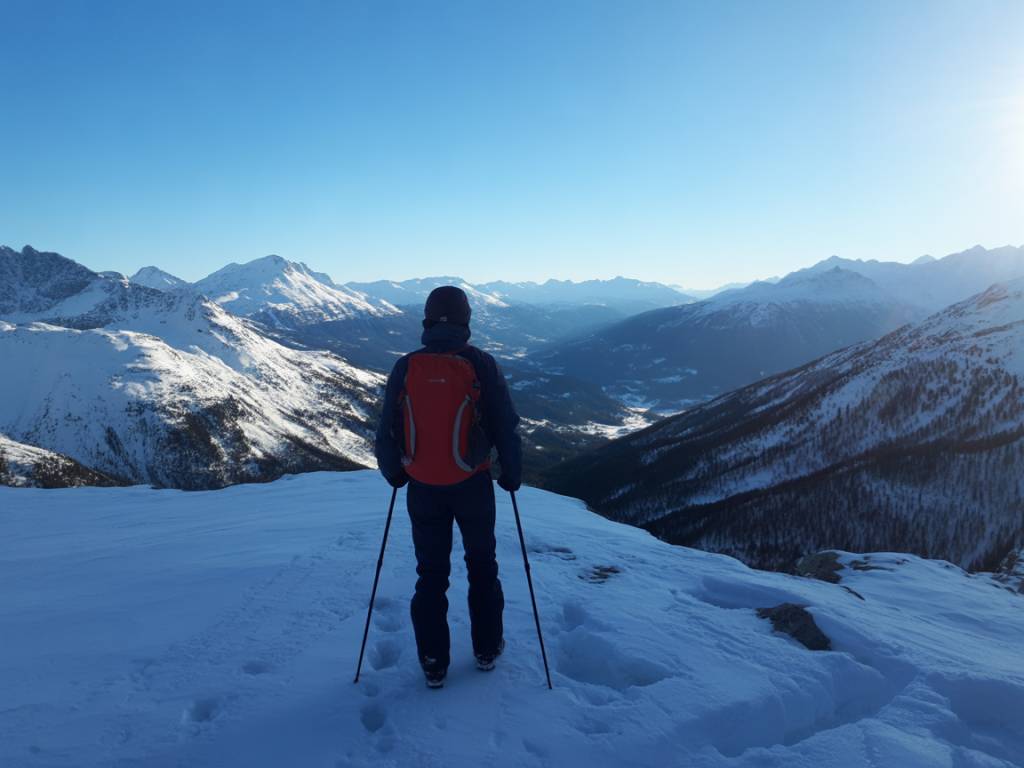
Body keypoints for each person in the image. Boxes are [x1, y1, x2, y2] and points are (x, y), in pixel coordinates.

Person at [375, 285, 522, 689]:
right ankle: (487, 649)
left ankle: (433, 661)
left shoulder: (406, 367)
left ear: (427, 321)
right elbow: (504, 424)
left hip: (423, 486)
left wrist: (396, 472)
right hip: (473, 483)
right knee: (482, 566)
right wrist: (511, 472)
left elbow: (386, 427)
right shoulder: (481, 364)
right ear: (465, 321)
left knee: (431, 573)